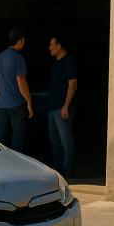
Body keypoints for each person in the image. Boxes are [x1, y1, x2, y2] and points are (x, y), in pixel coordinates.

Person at [0, 29, 33, 153]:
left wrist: (0, 96)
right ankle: (16, 167)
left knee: (1, 138)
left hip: (2, 105)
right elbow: (21, 80)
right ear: (21, 41)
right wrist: (29, 101)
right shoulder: (18, 58)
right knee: (17, 138)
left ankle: (2, 165)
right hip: (17, 104)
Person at [47, 34, 78, 178]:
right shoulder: (55, 62)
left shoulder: (69, 62)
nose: (49, 47)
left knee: (66, 141)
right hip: (52, 108)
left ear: (59, 46)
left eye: (51, 44)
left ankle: (68, 169)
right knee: (55, 141)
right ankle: (58, 170)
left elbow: (73, 84)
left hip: (62, 108)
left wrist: (66, 105)